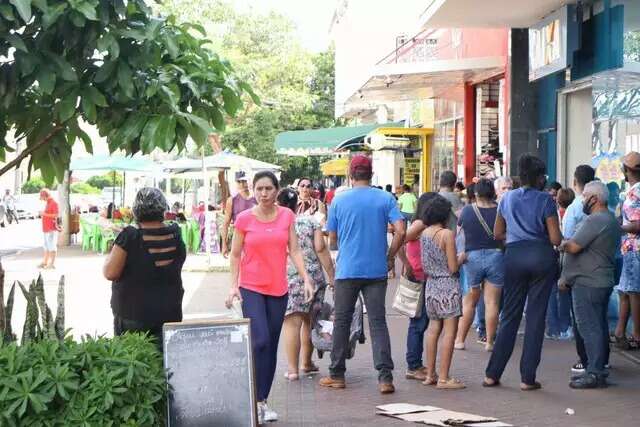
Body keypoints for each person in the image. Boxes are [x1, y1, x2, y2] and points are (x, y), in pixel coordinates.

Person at [225, 171, 313, 424]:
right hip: (251, 287)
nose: (263, 194)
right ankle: (251, 396)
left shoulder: (287, 216)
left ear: (276, 190)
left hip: (279, 289)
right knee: (260, 340)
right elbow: (234, 254)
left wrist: (306, 277)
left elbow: (294, 249)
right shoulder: (243, 219)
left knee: (271, 344)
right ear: (253, 190)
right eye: (259, 189)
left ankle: (262, 401)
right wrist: (233, 286)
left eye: (268, 189)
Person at [319, 155, 405, 394]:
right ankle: (385, 378)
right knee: (378, 322)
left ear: (350, 173)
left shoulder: (338, 200)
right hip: (376, 269)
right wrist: (390, 255)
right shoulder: (385, 198)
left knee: (342, 321)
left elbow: (332, 238)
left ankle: (337, 374)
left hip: (347, 270)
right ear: (371, 173)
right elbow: (401, 230)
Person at [484, 154, 562, 390]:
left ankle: (492, 374)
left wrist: (517, 238)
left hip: (514, 257)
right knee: (536, 317)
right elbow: (555, 238)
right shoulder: (546, 200)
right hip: (541, 257)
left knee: (509, 315)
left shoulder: (507, 199)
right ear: (539, 178)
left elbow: (497, 233)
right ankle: (527, 378)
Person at [103, 188, 186, 351]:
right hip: (170, 313)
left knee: (136, 365)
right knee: (165, 363)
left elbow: (110, 272)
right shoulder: (175, 234)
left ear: (136, 211)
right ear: (163, 209)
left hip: (134, 317)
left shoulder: (130, 236)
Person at [558, 181, 621, 389]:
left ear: (594, 199)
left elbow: (574, 246)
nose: (582, 199)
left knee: (589, 326)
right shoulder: (608, 219)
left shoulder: (596, 219)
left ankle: (595, 372)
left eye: (585, 196)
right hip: (597, 281)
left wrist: (562, 243)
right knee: (597, 325)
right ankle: (597, 366)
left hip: (589, 282)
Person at [277, 188, 335, 381]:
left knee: (292, 322)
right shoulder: (310, 222)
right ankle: (306, 363)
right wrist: (332, 276)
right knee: (309, 322)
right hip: (314, 278)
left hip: (289, 278)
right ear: (296, 205)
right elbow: (321, 248)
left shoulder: (276, 225)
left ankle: (293, 370)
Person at [419, 195, 464, 389]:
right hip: (447, 286)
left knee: (432, 329)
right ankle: (444, 378)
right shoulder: (446, 234)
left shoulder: (424, 234)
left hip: (431, 285)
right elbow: (453, 267)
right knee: (449, 332)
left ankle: (430, 374)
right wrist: (462, 258)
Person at [454, 178, 503, 352]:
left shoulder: (467, 211)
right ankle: (490, 342)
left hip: (471, 258)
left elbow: (459, 235)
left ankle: (460, 340)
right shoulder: (500, 211)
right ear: (493, 193)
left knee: (469, 303)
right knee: (492, 303)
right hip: (496, 257)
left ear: (475, 194)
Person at [398, 193, 438, 381]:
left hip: (425, 276)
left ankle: (416, 363)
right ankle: (413, 365)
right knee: (418, 323)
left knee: (421, 322)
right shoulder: (420, 224)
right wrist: (406, 264)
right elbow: (400, 239)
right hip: (419, 276)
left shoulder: (425, 225)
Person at [562, 165, 596, 371]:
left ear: (575, 182)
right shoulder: (603, 205)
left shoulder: (575, 207)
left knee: (580, 316)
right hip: (598, 265)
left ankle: (585, 359)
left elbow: (565, 239)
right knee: (597, 316)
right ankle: (601, 357)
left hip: (577, 265)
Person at [614, 151, 640, 350]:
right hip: (629, 249)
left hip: (634, 248)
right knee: (625, 290)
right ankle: (620, 331)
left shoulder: (635, 193)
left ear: (627, 170)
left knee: (632, 291)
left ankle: (635, 335)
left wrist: (617, 226)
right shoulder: (632, 191)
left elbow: (636, 224)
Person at [221, 171, 257, 257]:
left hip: (255, 237)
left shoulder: (257, 198)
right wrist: (224, 244)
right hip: (238, 238)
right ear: (236, 183)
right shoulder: (232, 200)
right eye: (239, 182)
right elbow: (226, 223)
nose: (243, 184)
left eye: (244, 181)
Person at [39, 189, 59, 269]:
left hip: (51, 229)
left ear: (45, 196)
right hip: (46, 229)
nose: (42, 199)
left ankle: (52, 264)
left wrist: (44, 214)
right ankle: (45, 262)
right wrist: (44, 214)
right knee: (47, 246)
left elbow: (56, 215)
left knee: (51, 246)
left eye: (43, 197)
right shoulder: (48, 203)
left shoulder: (54, 203)